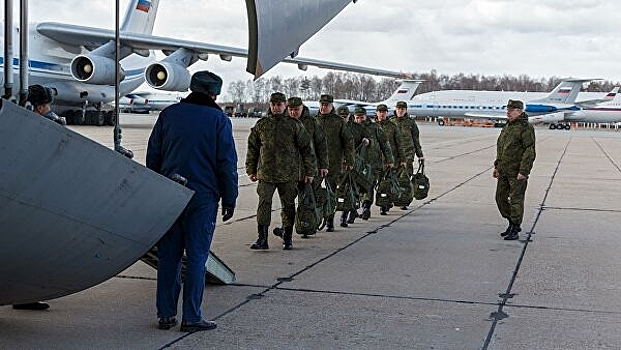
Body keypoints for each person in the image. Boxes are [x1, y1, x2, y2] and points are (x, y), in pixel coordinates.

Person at [146, 70, 238, 332]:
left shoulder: (169, 114)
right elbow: (226, 164)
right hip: (203, 198)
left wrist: (158, 187)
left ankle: (165, 314)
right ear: (214, 94)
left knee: (169, 257)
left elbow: (153, 155)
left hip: (170, 194)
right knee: (197, 257)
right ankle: (191, 316)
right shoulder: (219, 120)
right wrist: (230, 198)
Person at [11, 84, 67, 312]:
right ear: (42, 105)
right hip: (32, 196)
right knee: (28, 248)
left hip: (20, 194)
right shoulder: (45, 123)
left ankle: (22, 295)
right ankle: (25, 296)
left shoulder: (17, 121)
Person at [246, 92, 315, 250]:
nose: (276, 107)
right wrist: (251, 169)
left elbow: (307, 149)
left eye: (279, 104)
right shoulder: (262, 124)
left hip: (288, 174)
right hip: (266, 174)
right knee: (264, 204)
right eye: (273, 104)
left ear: (285, 106)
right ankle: (262, 239)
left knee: (288, 206)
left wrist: (310, 172)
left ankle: (287, 238)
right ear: (270, 105)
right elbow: (253, 148)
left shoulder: (294, 125)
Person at [272, 96, 328, 244]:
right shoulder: (282, 122)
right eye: (290, 109)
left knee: (306, 201)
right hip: (287, 171)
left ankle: (307, 224)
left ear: (302, 108)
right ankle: (287, 233)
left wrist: (323, 166)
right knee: (288, 203)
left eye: (296, 110)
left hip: (306, 170)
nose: (293, 112)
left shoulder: (312, 123)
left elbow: (321, 145)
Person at [493, 99, 536, 241]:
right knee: (500, 198)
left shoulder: (525, 127)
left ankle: (515, 226)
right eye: (507, 110)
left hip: (517, 172)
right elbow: (501, 148)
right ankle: (511, 222)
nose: (507, 113)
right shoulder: (508, 126)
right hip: (504, 170)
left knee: (516, 200)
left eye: (510, 111)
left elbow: (530, 151)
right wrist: (497, 166)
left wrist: (524, 171)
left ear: (519, 111)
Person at [316, 94, 355, 232]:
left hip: (333, 164)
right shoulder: (314, 121)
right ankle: (313, 219)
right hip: (315, 165)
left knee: (331, 193)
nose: (323, 107)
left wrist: (349, 161)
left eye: (326, 105)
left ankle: (329, 221)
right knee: (313, 193)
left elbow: (348, 142)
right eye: (321, 104)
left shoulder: (338, 122)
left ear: (332, 106)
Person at [353, 107, 393, 220]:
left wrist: (389, 160)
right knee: (355, 187)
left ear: (366, 117)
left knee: (369, 185)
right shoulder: (351, 128)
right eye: (357, 118)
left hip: (372, 163)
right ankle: (353, 210)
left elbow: (385, 144)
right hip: (356, 164)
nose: (360, 120)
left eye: (362, 117)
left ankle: (366, 207)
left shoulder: (375, 127)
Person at [392, 100, 424, 209]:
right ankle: (390, 199)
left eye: (402, 109)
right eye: (399, 109)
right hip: (393, 154)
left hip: (408, 154)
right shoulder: (391, 122)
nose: (400, 111)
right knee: (392, 176)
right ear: (395, 109)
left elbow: (416, 140)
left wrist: (420, 154)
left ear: (406, 110)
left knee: (405, 177)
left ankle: (404, 200)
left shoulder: (411, 123)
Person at [376, 104, 405, 215]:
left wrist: (402, 159)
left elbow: (399, 144)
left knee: (386, 183)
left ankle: (384, 204)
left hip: (390, 161)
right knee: (374, 183)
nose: (382, 114)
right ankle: (367, 205)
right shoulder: (372, 126)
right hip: (375, 161)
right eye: (380, 111)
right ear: (377, 113)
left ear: (387, 113)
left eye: (384, 112)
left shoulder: (393, 126)